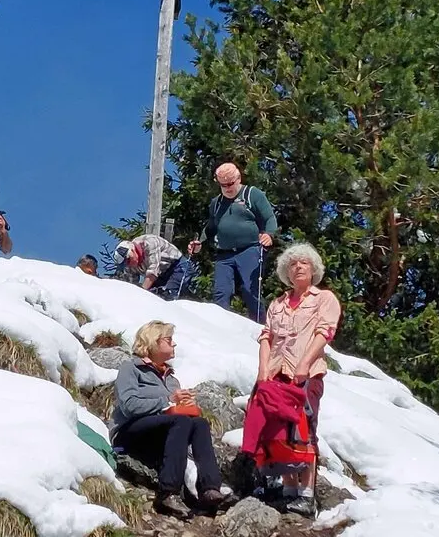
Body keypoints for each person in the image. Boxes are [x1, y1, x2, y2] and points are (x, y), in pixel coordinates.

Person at [234, 242, 340, 516]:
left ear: (314, 268)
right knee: (278, 432)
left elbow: (324, 332)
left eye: (303, 263)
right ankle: (288, 489)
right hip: (276, 374)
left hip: (308, 373)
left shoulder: (324, 298)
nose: (298, 267)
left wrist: (304, 363)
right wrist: (263, 371)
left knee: (305, 428)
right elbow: (266, 336)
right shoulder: (278, 303)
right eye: (292, 264)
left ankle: (306, 495)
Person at [110, 321, 226, 518]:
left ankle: (210, 487)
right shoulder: (131, 368)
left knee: (199, 423)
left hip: (161, 433)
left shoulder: (171, 377)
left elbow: (173, 412)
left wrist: (186, 407)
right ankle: (168, 491)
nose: (174, 344)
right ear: (153, 342)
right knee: (180, 421)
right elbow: (129, 405)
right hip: (129, 433)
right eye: (169, 339)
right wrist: (168, 401)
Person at [204, 163, 278, 320]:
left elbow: (269, 218)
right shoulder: (216, 203)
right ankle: (218, 326)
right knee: (221, 292)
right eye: (223, 185)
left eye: (230, 183)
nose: (228, 188)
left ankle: (260, 327)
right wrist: (199, 242)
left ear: (238, 178)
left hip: (250, 249)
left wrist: (269, 235)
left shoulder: (252, 194)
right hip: (224, 254)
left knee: (250, 290)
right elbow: (210, 228)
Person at [113, 235, 186, 299]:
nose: (128, 264)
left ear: (132, 250)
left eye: (128, 260)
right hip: (161, 274)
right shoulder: (129, 266)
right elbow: (132, 285)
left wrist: (142, 294)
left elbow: (152, 273)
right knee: (155, 296)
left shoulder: (149, 242)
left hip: (177, 266)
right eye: (125, 263)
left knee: (169, 296)